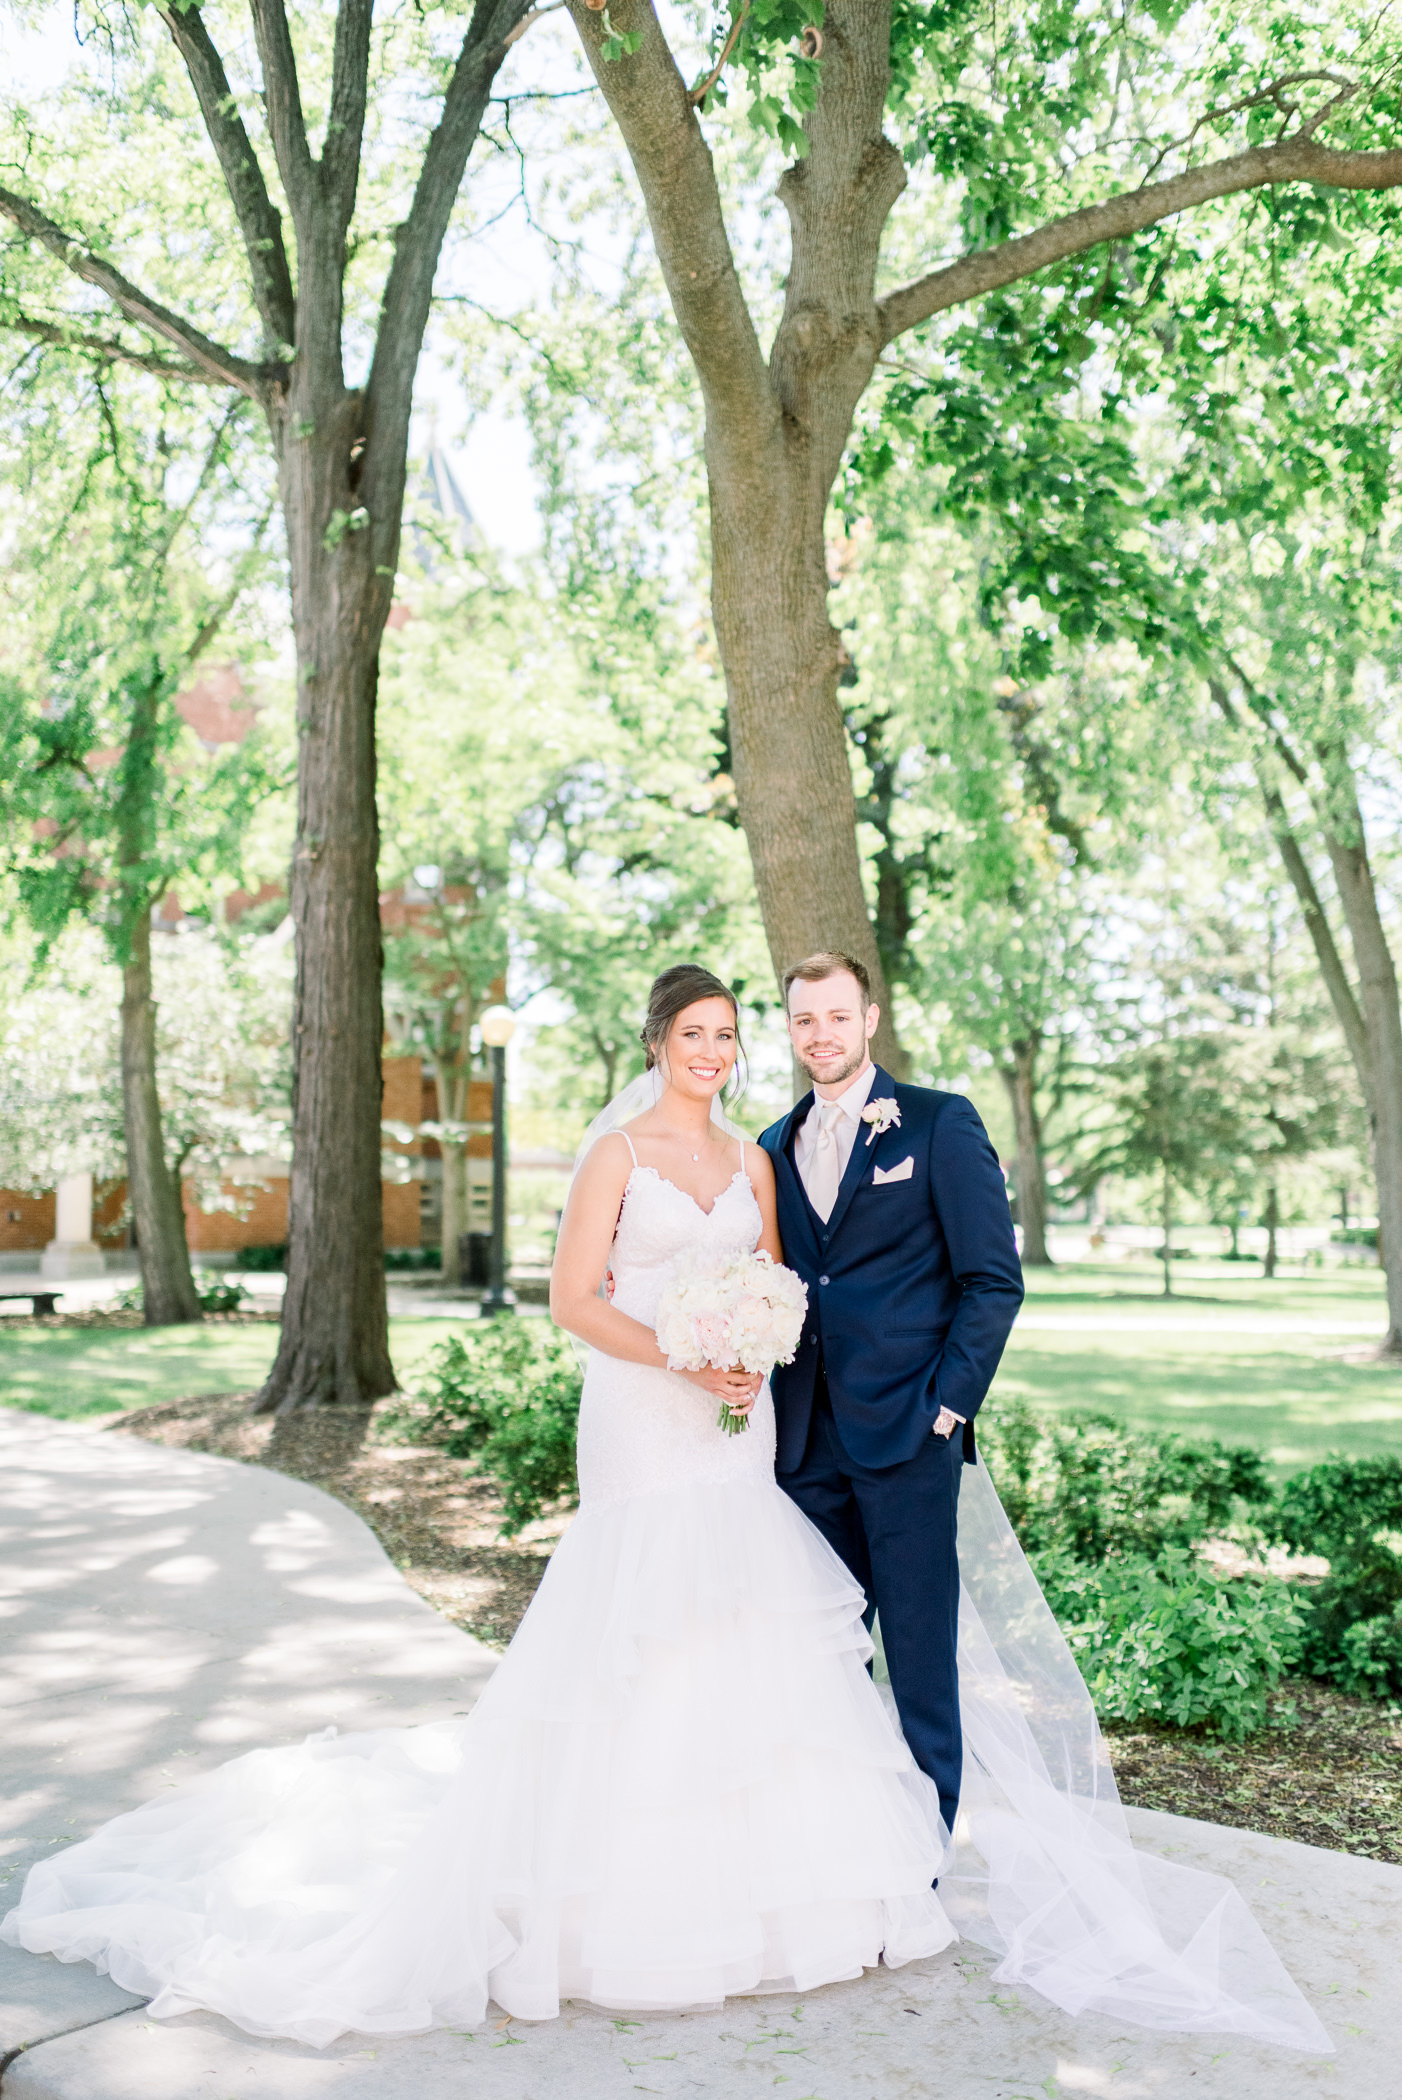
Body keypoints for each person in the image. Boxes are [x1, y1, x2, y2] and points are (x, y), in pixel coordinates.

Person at [1, 963, 1329, 2055]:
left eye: (755, 1030)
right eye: (715, 1031)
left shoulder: (880, 1135)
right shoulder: (661, 1152)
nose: (740, 1046)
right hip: (677, 1426)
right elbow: (582, 1298)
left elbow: (928, 1282)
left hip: (806, 1436)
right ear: (659, 1042)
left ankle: (883, 1875)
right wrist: (688, 1351)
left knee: (851, 1657)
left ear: (857, 1022)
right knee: (657, 1636)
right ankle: (633, 1895)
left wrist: (913, 1400)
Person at [758, 951, 1023, 1840]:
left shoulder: (940, 1126)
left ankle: (925, 1853)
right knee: (816, 1655)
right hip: (802, 1445)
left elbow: (993, 1281)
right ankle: (833, 1843)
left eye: (837, 1016)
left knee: (917, 1656)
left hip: (910, 1435)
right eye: (804, 1020)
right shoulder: (771, 1145)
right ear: (789, 1028)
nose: (820, 1035)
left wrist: (947, 1407)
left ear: (868, 1019)